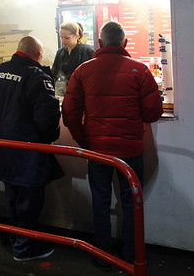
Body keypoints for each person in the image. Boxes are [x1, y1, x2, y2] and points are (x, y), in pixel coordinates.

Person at [61, 21, 163, 266]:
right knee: (131, 203)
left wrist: (83, 139)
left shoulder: (83, 71)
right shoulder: (140, 70)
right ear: (125, 43)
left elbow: (70, 111)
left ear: (99, 43)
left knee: (101, 200)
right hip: (131, 151)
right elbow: (152, 113)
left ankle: (103, 257)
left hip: (98, 151)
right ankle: (132, 256)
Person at [0, 35, 64, 262]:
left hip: (2, 146)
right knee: (29, 199)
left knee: (12, 195)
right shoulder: (37, 76)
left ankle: (15, 237)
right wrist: (50, 139)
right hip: (27, 149)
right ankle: (23, 247)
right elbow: (47, 118)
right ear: (38, 55)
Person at [51, 22, 94, 94]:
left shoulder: (87, 51)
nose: (63, 41)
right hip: (64, 92)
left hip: (83, 91)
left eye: (67, 38)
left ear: (77, 36)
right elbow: (54, 73)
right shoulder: (60, 52)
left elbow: (92, 76)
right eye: (61, 37)